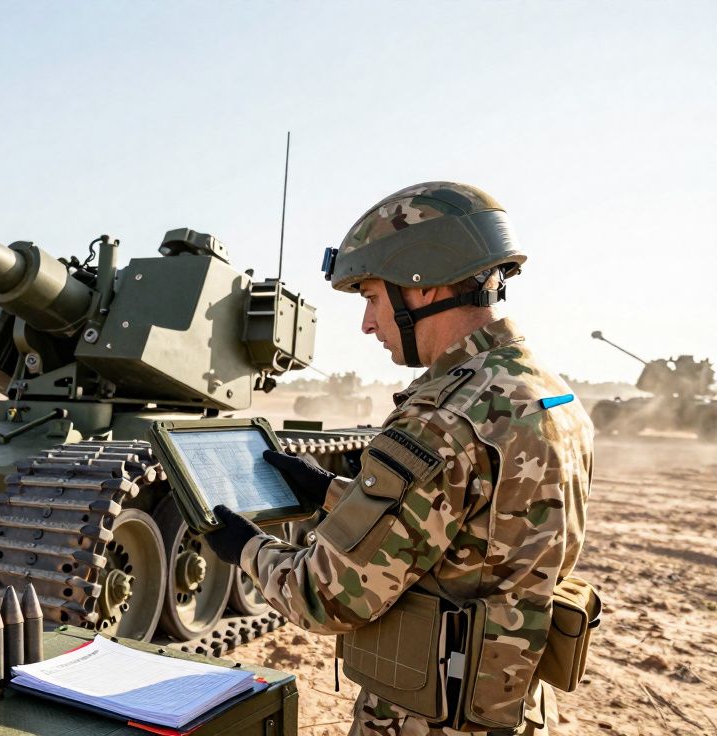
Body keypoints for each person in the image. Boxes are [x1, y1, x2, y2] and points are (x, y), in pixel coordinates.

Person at [205, 182, 593, 735]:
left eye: (371, 298)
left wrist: (246, 549)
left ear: (423, 286)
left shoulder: (441, 420)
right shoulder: (545, 393)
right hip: (510, 710)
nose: (367, 324)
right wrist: (333, 494)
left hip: (429, 720)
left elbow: (326, 597)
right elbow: (475, 536)